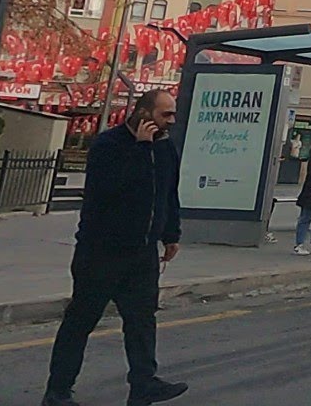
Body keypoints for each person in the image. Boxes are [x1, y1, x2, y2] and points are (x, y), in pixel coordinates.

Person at [43, 90, 188, 406]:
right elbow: (110, 189)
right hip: (102, 251)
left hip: (142, 253)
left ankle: (143, 384)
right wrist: (141, 148)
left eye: (173, 114)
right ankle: (58, 390)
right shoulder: (109, 145)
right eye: (165, 114)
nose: (172, 121)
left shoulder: (165, 148)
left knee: (142, 322)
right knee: (81, 320)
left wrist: (171, 233)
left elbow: (168, 193)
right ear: (144, 114)